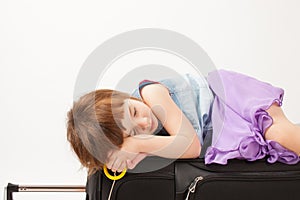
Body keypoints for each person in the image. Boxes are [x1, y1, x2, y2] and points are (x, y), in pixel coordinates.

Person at [67, 69, 300, 175]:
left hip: (228, 98)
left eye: (134, 112)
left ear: (127, 97)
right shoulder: (140, 140)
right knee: (280, 146)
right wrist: (127, 156)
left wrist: (137, 145)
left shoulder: (151, 93)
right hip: (220, 128)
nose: (145, 123)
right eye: (133, 133)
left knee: (277, 134)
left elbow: (191, 146)